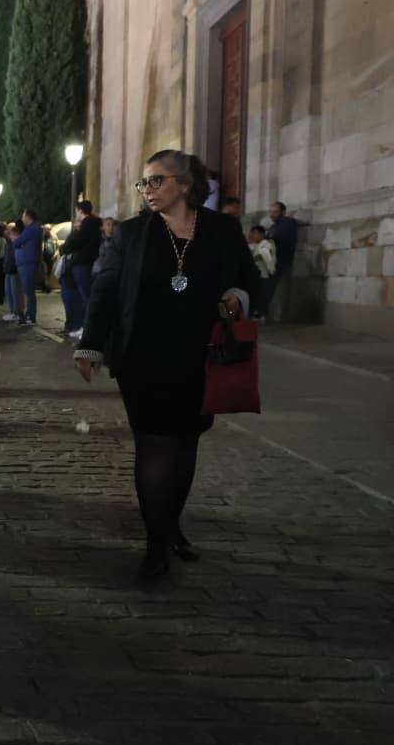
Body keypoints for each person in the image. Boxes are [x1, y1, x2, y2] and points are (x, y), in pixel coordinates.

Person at [75, 150, 258, 584]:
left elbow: (249, 279)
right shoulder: (132, 234)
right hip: (144, 356)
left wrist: (237, 296)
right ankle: (156, 545)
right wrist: (90, 345)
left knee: (187, 444)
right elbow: (104, 288)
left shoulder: (222, 230)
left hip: (201, 355)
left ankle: (171, 525)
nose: (148, 190)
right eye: (143, 183)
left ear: (184, 184)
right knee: (155, 446)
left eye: (156, 181)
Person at [60, 200, 102, 339]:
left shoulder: (88, 224)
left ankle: (88, 330)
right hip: (84, 263)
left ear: (80, 211)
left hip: (83, 264)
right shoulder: (92, 224)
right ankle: (85, 328)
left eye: (76, 211)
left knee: (86, 298)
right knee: (85, 297)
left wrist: (64, 249)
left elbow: (75, 242)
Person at [265, 201, 300, 322]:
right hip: (272, 263)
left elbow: (280, 241)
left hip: (281, 262)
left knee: (277, 291)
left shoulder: (288, 223)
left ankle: (279, 316)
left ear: (283, 212)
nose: (272, 214)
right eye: (271, 212)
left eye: (275, 212)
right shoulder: (272, 227)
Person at [12, 208, 42, 325]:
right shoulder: (33, 229)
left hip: (27, 263)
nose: (22, 218)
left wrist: (19, 243)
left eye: (23, 216)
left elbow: (17, 242)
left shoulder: (31, 229)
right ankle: (29, 315)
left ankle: (30, 316)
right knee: (28, 291)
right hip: (26, 262)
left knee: (29, 291)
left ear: (28, 217)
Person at [248, 225, 277, 320]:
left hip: (264, 275)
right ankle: (255, 314)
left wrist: (251, 258)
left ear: (261, 234)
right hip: (253, 276)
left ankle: (261, 315)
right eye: (252, 233)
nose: (253, 236)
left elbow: (263, 255)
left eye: (255, 233)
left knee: (262, 296)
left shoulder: (267, 243)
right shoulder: (252, 245)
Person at [2, 222, 25, 322]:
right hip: (8, 270)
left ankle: (17, 313)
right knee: (9, 292)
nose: (11, 236)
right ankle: (12, 311)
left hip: (15, 271)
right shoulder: (9, 243)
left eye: (12, 234)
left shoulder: (18, 245)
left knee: (15, 293)